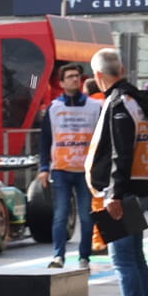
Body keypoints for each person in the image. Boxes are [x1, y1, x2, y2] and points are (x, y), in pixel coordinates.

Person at [86, 47, 148, 296]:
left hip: (122, 192)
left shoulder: (118, 102)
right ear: (123, 69)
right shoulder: (136, 100)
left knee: (123, 259)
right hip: (137, 186)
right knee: (136, 258)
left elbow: (120, 151)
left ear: (98, 76)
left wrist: (114, 193)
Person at [37, 64, 96, 269]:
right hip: (61, 169)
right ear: (61, 83)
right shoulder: (54, 108)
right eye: (69, 77)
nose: (74, 80)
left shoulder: (93, 106)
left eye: (77, 76)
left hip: (85, 171)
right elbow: (44, 140)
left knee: (86, 217)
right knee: (60, 215)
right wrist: (43, 168)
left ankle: (84, 257)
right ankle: (58, 256)